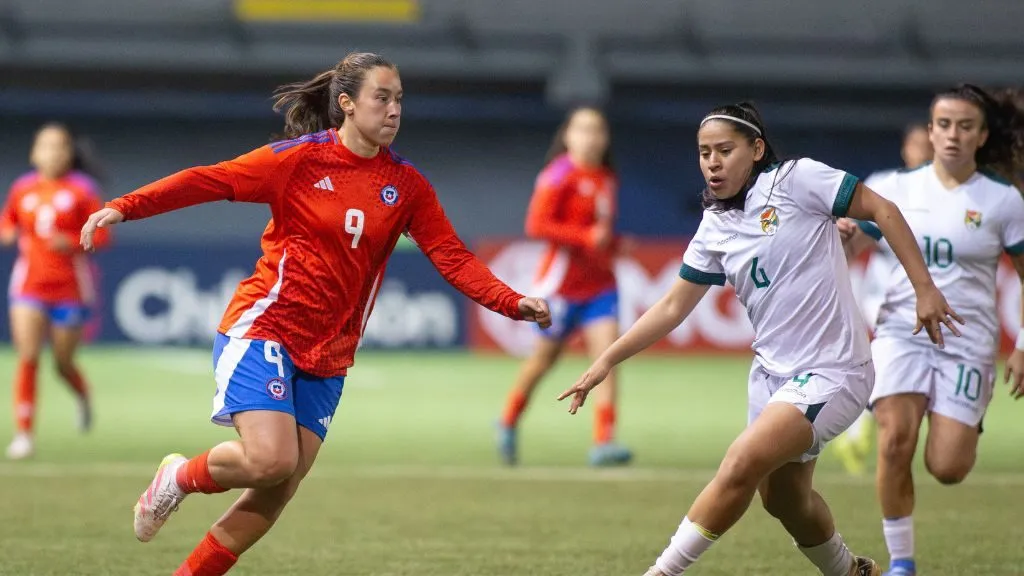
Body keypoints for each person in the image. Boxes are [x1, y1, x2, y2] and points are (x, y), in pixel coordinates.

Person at [79, 52, 551, 576]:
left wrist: (514, 302)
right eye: (382, 97)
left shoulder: (407, 186)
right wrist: (125, 206)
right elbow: (209, 180)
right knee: (270, 460)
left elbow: (452, 257)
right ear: (346, 104)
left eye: (399, 99)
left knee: (279, 488)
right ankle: (178, 478)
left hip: (330, 354)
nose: (394, 110)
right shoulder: (298, 161)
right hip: (264, 328)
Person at [556, 101, 961, 576]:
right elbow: (671, 308)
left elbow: (882, 209)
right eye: (704, 152)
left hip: (834, 371)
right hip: (770, 375)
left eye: (725, 149)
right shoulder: (715, 225)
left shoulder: (797, 180)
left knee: (740, 463)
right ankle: (851, 571)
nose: (712, 160)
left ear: (756, 148)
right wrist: (605, 361)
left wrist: (925, 288)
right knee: (785, 501)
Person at [836, 84, 1024, 576]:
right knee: (895, 439)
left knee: (948, 467)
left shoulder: (1003, 201)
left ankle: (962, 428)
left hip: (967, 343)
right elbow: (854, 250)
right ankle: (901, 562)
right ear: (931, 129)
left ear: (982, 136)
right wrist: (845, 239)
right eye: (943, 125)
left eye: (965, 126)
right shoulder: (894, 188)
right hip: (902, 330)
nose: (952, 135)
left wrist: (1023, 345)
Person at [496, 106, 632, 467]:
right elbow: (537, 224)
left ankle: (604, 441)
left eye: (598, 130)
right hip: (561, 287)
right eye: (583, 129)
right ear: (568, 136)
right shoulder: (558, 175)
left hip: (601, 287)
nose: (592, 137)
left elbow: (600, 235)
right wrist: (587, 236)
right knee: (543, 361)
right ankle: (508, 419)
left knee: (608, 358)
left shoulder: (606, 177)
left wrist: (613, 244)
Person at [2, 122, 109, 460]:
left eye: (59, 147)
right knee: (29, 357)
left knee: (62, 362)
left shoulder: (82, 190)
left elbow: (104, 234)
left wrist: (76, 240)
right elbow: (8, 220)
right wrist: (7, 231)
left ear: (69, 153)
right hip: (28, 287)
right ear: (34, 152)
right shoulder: (22, 188)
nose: (52, 153)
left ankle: (81, 395)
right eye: (45, 146)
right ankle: (24, 434)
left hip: (70, 290)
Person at [832, 122, 934, 475]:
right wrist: (844, 236)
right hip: (887, 289)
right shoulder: (887, 186)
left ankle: (859, 428)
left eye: (928, 144)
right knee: (879, 357)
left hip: (930, 295)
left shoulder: (950, 195)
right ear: (906, 149)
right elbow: (860, 235)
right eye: (918, 144)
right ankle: (859, 429)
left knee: (886, 365)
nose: (925, 151)